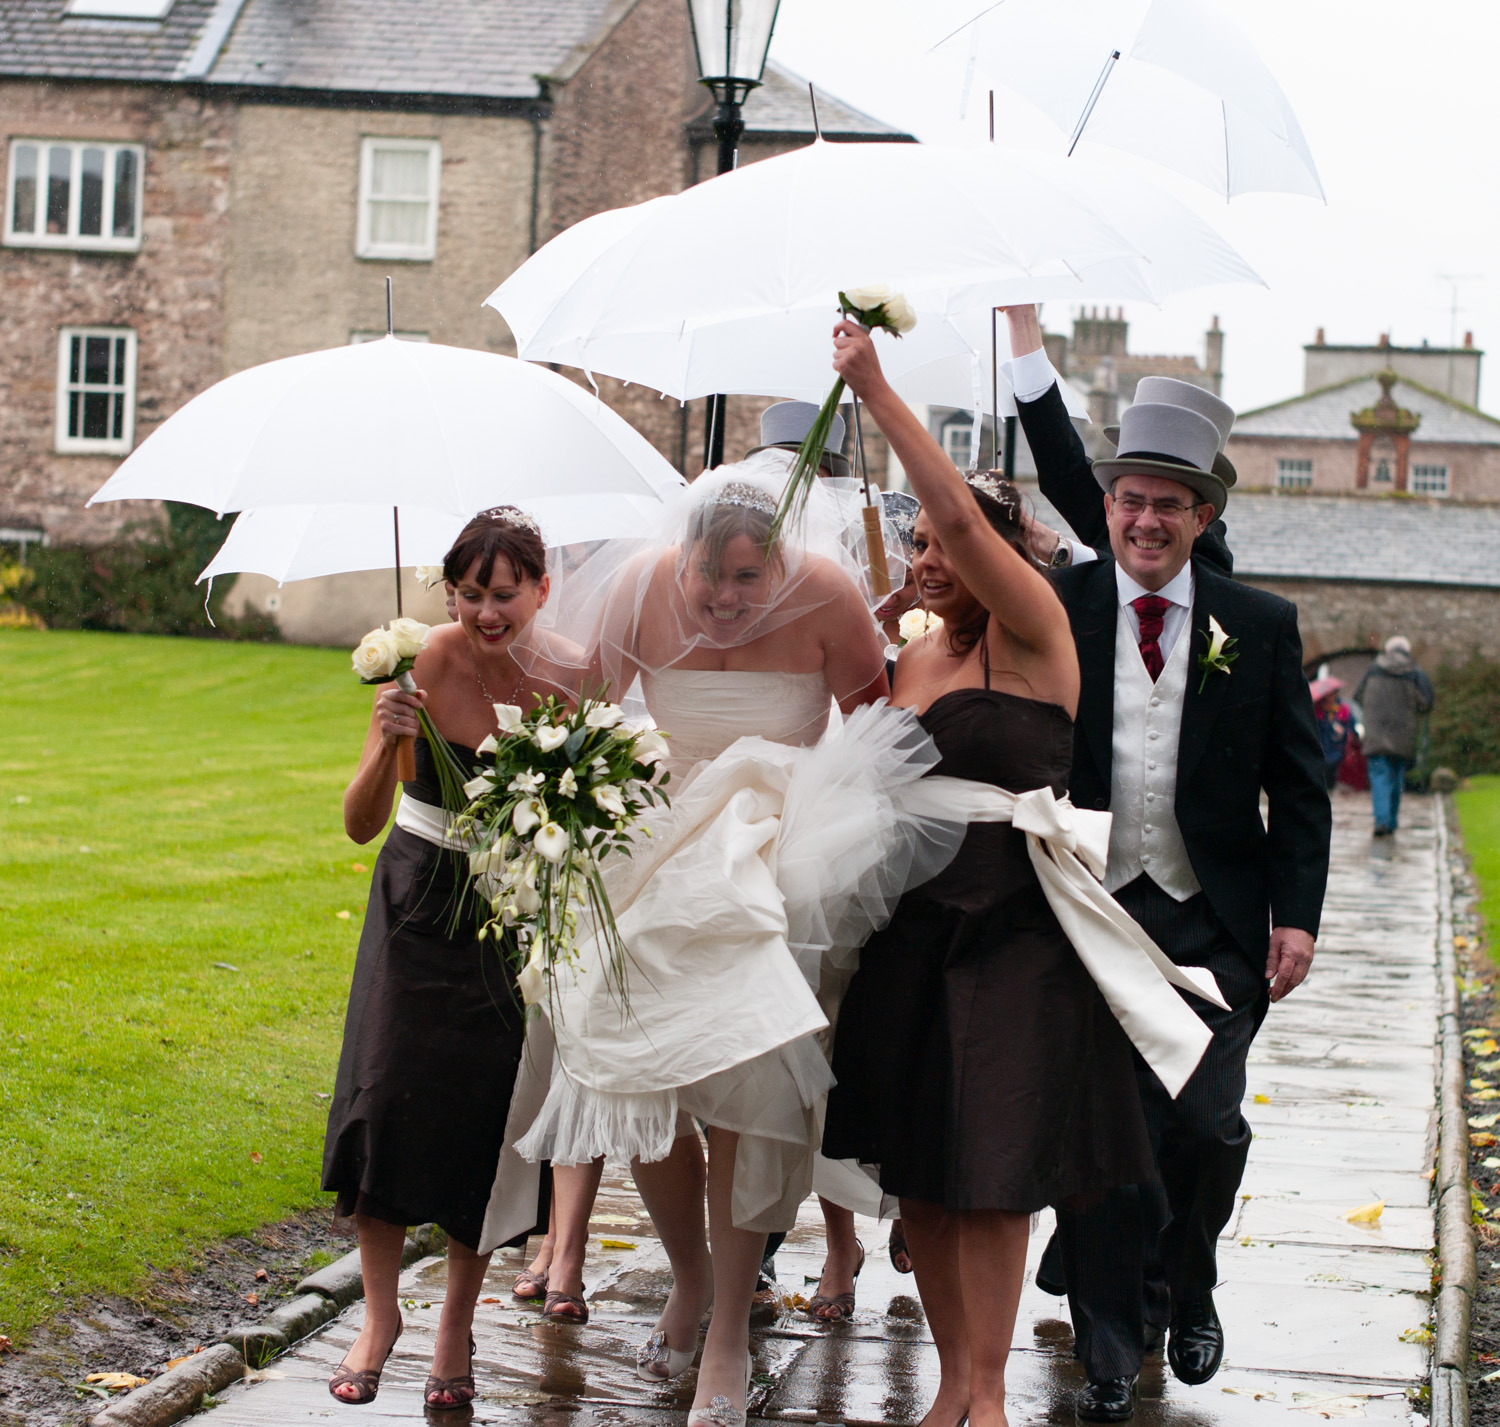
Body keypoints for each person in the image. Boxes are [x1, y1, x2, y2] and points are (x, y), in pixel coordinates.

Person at [506, 456, 963, 1427]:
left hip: (779, 857)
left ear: (784, 564)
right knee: (641, 1070)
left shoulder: (830, 596)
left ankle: (724, 1336)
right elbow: (581, 707)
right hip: (666, 845)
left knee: (751, 1093)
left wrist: (846, 854)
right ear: (680, 559)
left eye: (748, 579)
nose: (722, 598)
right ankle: (690, 1277)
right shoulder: (638, 588)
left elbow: (875, 731)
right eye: (707, 577)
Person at [822, 319, 1219, 1427]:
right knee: (924, 1171)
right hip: (912, 932)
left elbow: (951, 505)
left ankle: (987, 1396)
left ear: (1003, 554)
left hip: (1016, 930)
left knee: (993, 1169)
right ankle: (952, 1384)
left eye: (949, 545)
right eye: (916, 548)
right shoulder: (911, 652)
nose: (931, 556)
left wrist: (877, 390)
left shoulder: (1037, 630)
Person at [1002, 304, 1332, 1420]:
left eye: (1169, 502)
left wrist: (1297, 916)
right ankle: (1108, 1351)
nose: (1146, 518)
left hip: (1214, 922)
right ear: (1109, 508)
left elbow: (1300, 783)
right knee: (1105, 1137)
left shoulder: (1261, 623)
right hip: (1095, 913)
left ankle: (1187, 1280)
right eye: (1130, 498)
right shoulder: (1063, 606)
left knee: (1205, 1127)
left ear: (1203, 515)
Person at [323, 506, 575, 1410]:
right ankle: (379, 1316)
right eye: (469, 594)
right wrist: (390, 733)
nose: (485, 614)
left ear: (540, 590)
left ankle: (454, 1326)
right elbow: (359, 823)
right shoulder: (423, 661)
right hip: (411, 901)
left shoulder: (565, 689)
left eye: (503, 595)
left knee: (484, 1121)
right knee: (383, 1101)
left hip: (506, 915)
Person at [1353, 636, 1434, 836]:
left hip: (1377, 732)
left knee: (1380, 775)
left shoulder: (1374, 668)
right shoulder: (1415, 671)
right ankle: (1391, 819)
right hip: (1403, 733)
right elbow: (1425, 703)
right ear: (1406, 650)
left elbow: (1357, 695)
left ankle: (1382, 820)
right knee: (1397, 776)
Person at [1309, 676, 1351, 792]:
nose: (1331, 696)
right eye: (1329, 694)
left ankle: (1330, 790)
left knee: (1333, 770)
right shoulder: (1317, 709)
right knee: (1323, 770)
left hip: (1336, 746)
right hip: (1322, 744)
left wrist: (1342, 730)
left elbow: (1348, 726)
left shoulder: (1343, 709)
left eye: (1333, 693)